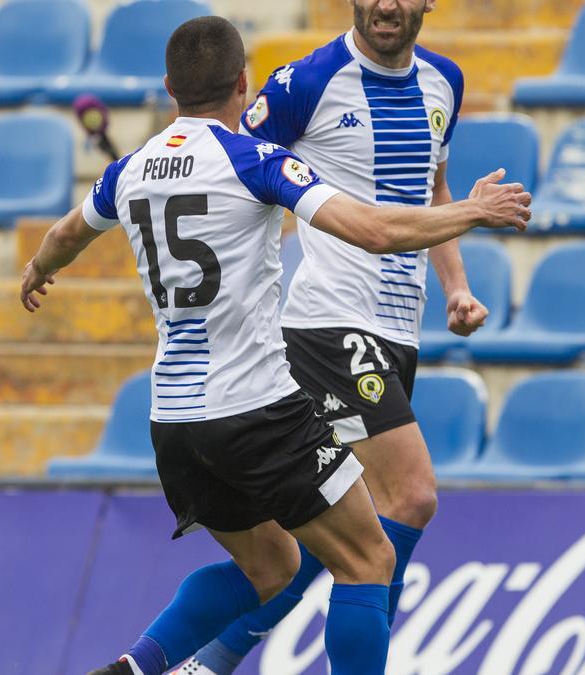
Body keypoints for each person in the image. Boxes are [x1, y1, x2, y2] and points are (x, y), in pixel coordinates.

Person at [17, 16, 530, 675]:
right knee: (370, 554)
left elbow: (64, 234)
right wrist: (474, 210)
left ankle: (138, 664)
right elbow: (370, 229)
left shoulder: (130, 169)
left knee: (274, 563)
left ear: (169, 87)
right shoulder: (257, 161)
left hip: (173, 420)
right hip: (257, 404)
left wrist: (35, 269)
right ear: (242, 83)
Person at [181, 2, 485, 671]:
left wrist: (457, 287)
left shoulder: (445, 82)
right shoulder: (305, 83)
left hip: (396, 329)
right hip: (328, 324)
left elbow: (430, 191)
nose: (385, 4)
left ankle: (210, 659)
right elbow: (226, 159)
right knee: (411, 494)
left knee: (337, 540)